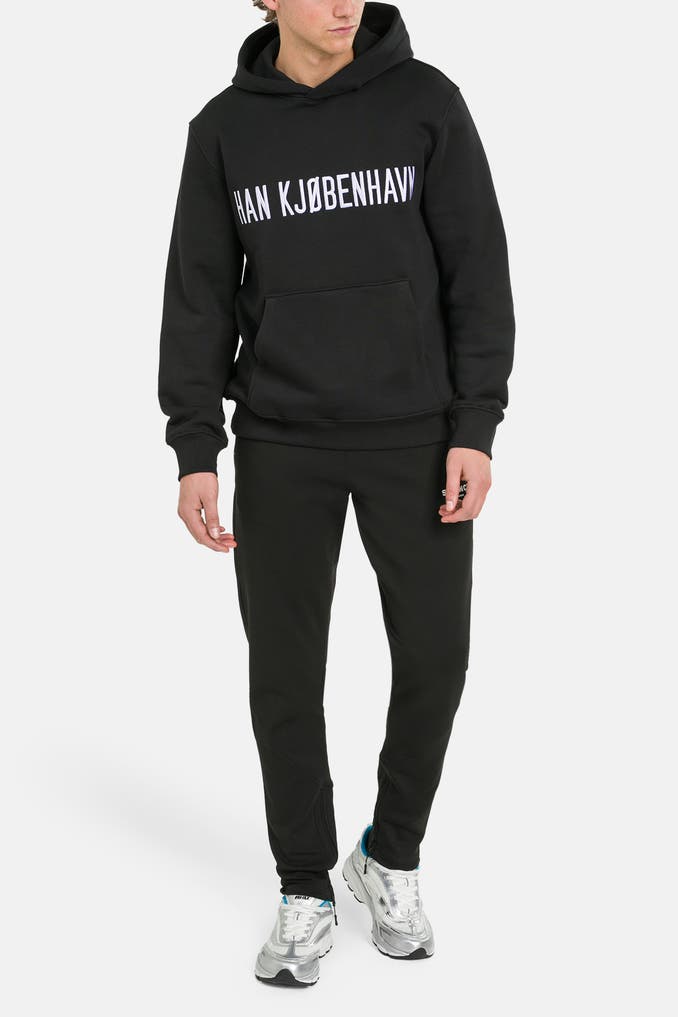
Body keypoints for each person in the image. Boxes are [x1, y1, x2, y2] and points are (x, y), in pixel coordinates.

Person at [158, 0, 515, 988]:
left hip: (417, 434)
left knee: (437, 657)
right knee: (285, 672)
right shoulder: (224, 130)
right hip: (281, 439)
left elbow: (478, 269)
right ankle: (305, 885)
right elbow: (197, 291)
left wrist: (476, 424)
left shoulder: (426, 103)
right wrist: (195, 445)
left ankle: (389, 854)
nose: (343, 1)